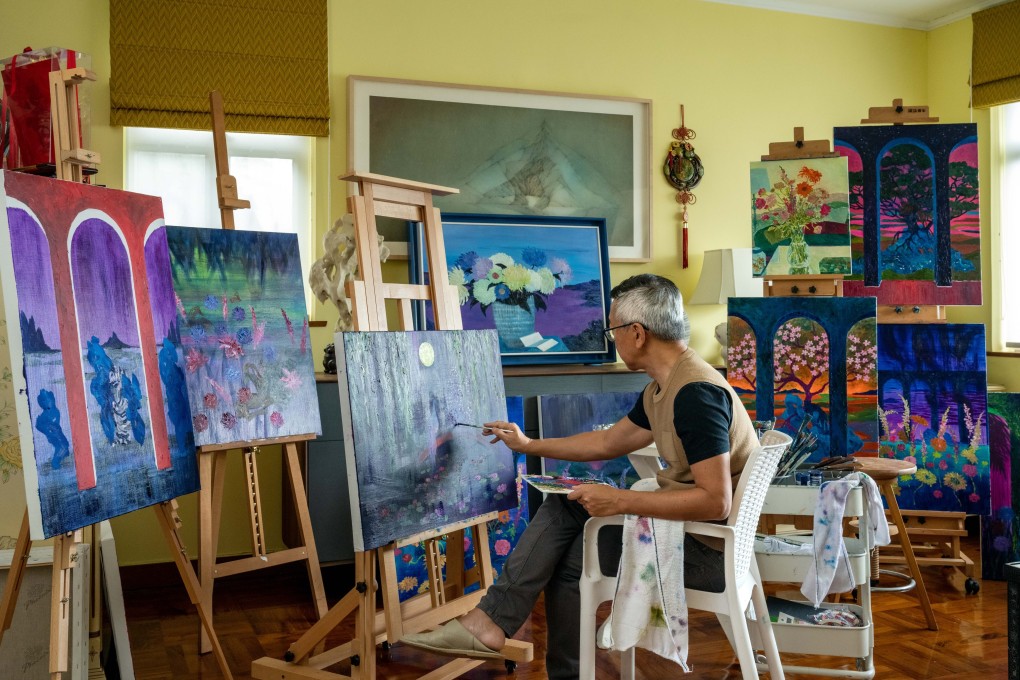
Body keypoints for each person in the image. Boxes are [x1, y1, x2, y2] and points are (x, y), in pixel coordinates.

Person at [402, 273, 759, 678]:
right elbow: (607, 444)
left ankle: (498, 627)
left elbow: (716, 502)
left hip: (705, 551)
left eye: (613, 329)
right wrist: (528, 444)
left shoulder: (696, 395)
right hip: (689, 534)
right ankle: (496, 626)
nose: (612, 339)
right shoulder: (666, 384)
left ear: (637, 333)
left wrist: (620, 500)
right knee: (565, 508)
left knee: (568, 556)